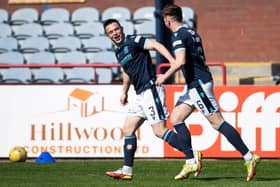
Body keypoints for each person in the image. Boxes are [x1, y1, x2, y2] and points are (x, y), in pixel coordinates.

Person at [156, 4, 260, 181]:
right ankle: (191, 161)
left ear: (167, 19)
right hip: (194, 85)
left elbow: (180, 61)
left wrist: (164, 76)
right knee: (176, 118)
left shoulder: (178, 35)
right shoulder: (192, 32)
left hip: (198, 85)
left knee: (217, 122)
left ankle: (249, 157)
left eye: (164, 19)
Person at [103, 18, 202, 180]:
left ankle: (192, 156)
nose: (115, 33)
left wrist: (172, 61)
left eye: (116, 29)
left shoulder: (132, 41)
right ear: (108, 36)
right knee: (128, 129)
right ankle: (127, 170)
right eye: (111, 32)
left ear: (121, 28)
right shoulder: (119, 51)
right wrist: (124, 92)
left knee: (159, 131)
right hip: (139, 94)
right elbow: (127, 71)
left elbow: (156, 45)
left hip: (151, 89)